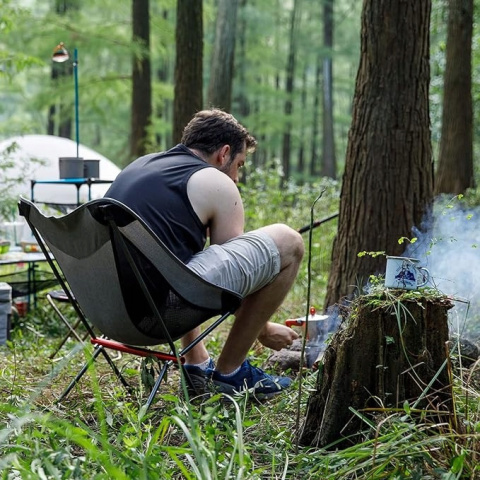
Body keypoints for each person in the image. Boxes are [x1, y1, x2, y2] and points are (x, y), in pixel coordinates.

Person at [105, 108, 304, 399]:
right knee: (289, 241)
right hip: (155, 316)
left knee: (182, 257)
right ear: (223, 154)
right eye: (239, 164)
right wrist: (263, 330)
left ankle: (196, 362)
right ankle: (231, 373)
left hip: (110, 314)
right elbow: (231, 284)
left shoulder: (141, 166)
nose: (236, 178)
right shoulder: (214, 180)